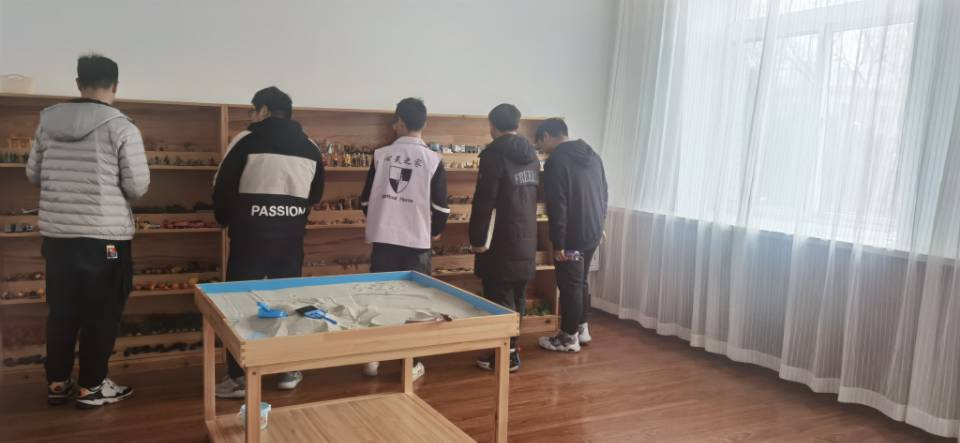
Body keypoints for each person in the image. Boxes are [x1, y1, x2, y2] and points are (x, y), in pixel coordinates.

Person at [26, 54, 149, 408]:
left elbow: (33, 175)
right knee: (101, 313)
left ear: (79, 84)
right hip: (105, 238)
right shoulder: (122, 127)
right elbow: (137, 187)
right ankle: (92, 386)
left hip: (59, 237)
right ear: (116, 86)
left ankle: (57, 382)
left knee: (62, 311)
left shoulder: (47, 123)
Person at [212, 86, 324, 398]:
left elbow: (222, 187)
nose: (251, 116)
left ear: (262, 110)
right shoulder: (310, 147)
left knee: (240, 305)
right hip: (290, 239)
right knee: (288, 302)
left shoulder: (246, 140)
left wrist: (225, 219)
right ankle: (286, 369)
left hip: (250, 237)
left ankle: (238, 378)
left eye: (252, 111)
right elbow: (316, 194)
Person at [359, 97, 449, 380]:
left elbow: (364, 201)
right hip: (417, 243)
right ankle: (411, 364)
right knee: (416, 303)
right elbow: (441, 208)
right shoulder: (433, 159)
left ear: (399, 122)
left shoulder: (381, 155)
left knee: (380, 299)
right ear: (425, 123)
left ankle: (373, 358)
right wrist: (433, 230)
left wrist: (382, 218)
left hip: (384, 239)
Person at [471, 104, 540, 373]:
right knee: (517, 297)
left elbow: (484, 201)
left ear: (492, 125)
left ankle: (504, 356)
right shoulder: (532, 155)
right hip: (526, 236)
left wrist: (477, 239)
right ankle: (511, 350)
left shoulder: (494, 154)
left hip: (499, 238)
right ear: (517, 124)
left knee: (498, 298)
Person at [535, 118, 608, 353]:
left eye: (539, 143)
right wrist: (600, 223)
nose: (540, 149)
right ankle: (581, 328)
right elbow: (604, 193)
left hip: (572, 235)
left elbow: (558, 205)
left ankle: (568, 337)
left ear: (547, 136)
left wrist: (558, 243)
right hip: (593, 231)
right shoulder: (593, 156)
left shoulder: (556, 161)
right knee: (581, 281)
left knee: (569, 285)